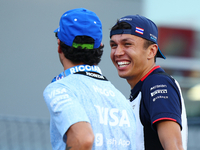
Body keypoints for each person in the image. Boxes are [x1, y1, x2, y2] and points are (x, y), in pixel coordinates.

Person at [43, 8, 137, 150]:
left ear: (59, 45)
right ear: (100, 46)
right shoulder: (123, 101)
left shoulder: (60, 89)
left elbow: (82, 139)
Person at [109, 15, 188, 150]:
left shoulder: (157, 82)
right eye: (113, 45)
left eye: (127, 44)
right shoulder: (144, 87)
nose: (118, 52)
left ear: (151, 51)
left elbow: (174, 147)